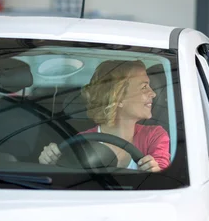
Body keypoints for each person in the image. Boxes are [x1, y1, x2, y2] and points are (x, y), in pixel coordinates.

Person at [38, 60, 170, 172]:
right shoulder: (81, 142)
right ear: (118, 98)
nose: (153, 93)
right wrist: (50, 163)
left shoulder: (155, 135)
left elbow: (164, 176)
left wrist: (155, 170)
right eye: (144, 87)